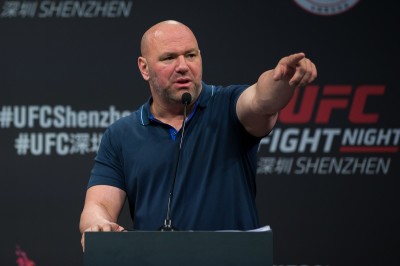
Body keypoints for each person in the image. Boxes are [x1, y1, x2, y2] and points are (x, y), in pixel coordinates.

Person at [79, 20, 317, 249]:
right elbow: (98, 204)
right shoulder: (121, 134)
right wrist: (97, 225)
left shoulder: (228, 106)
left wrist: (283, 79)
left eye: (191, 55)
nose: (183, 66)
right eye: (169, 57)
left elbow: (262, 100)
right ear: (144, 67)